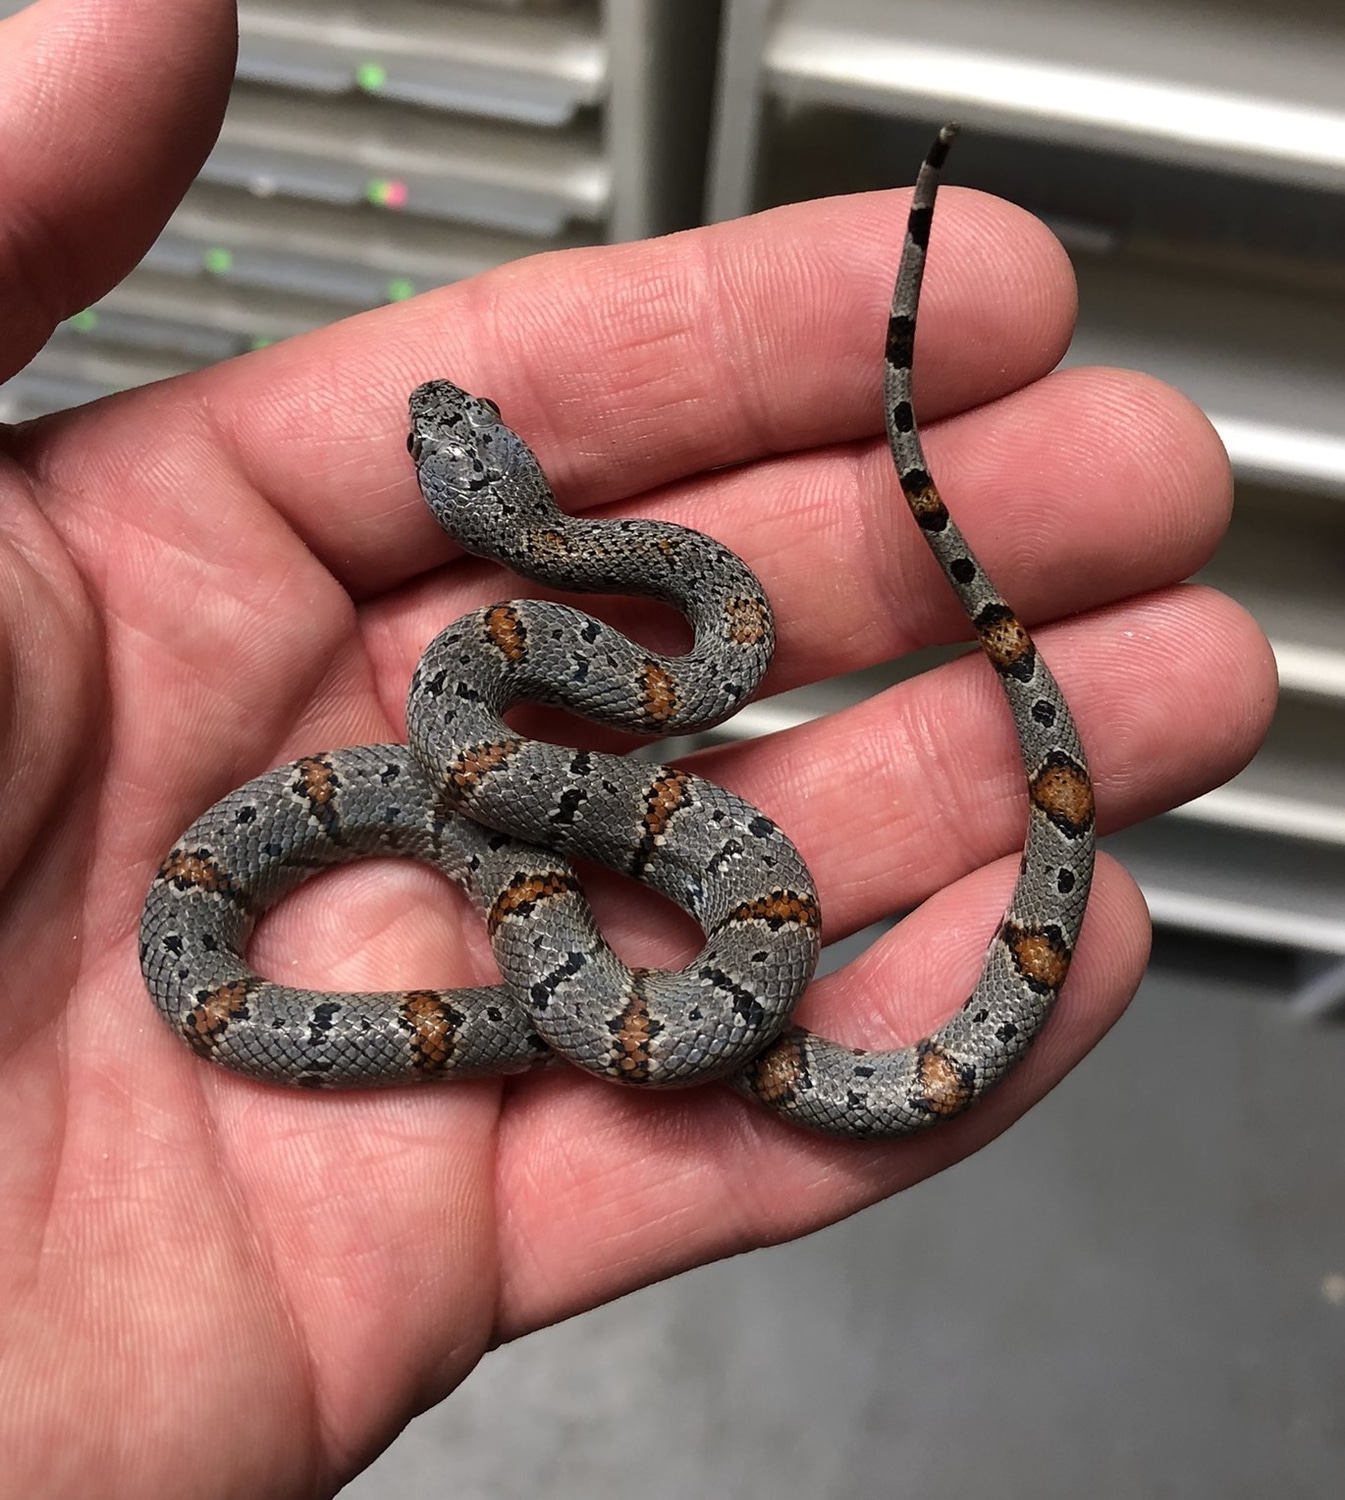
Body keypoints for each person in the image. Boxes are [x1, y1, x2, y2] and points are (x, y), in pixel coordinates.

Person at [0, 2, 1274, 1494]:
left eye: (451, 442)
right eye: (442, 449)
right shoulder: (575, 644)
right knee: (486, 820)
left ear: (509, 510)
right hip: (502, 933)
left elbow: (559, 752)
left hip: (605, 914)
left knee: (486, 810)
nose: (438, 428)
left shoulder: (635, 645)